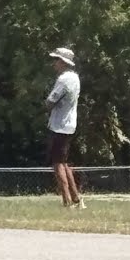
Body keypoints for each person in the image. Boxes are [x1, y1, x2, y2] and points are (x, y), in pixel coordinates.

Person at [44, 47, 83, 209]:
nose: (54, 63)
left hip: (59, 125)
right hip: (70, 124)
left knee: (57, 163)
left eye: (56, 60)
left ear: (63, 62)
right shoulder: (75, 78)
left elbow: (50, 102)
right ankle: (76, 197)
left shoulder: (63, 79)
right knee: (64, 162)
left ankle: (67, 201)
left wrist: (46, 105)